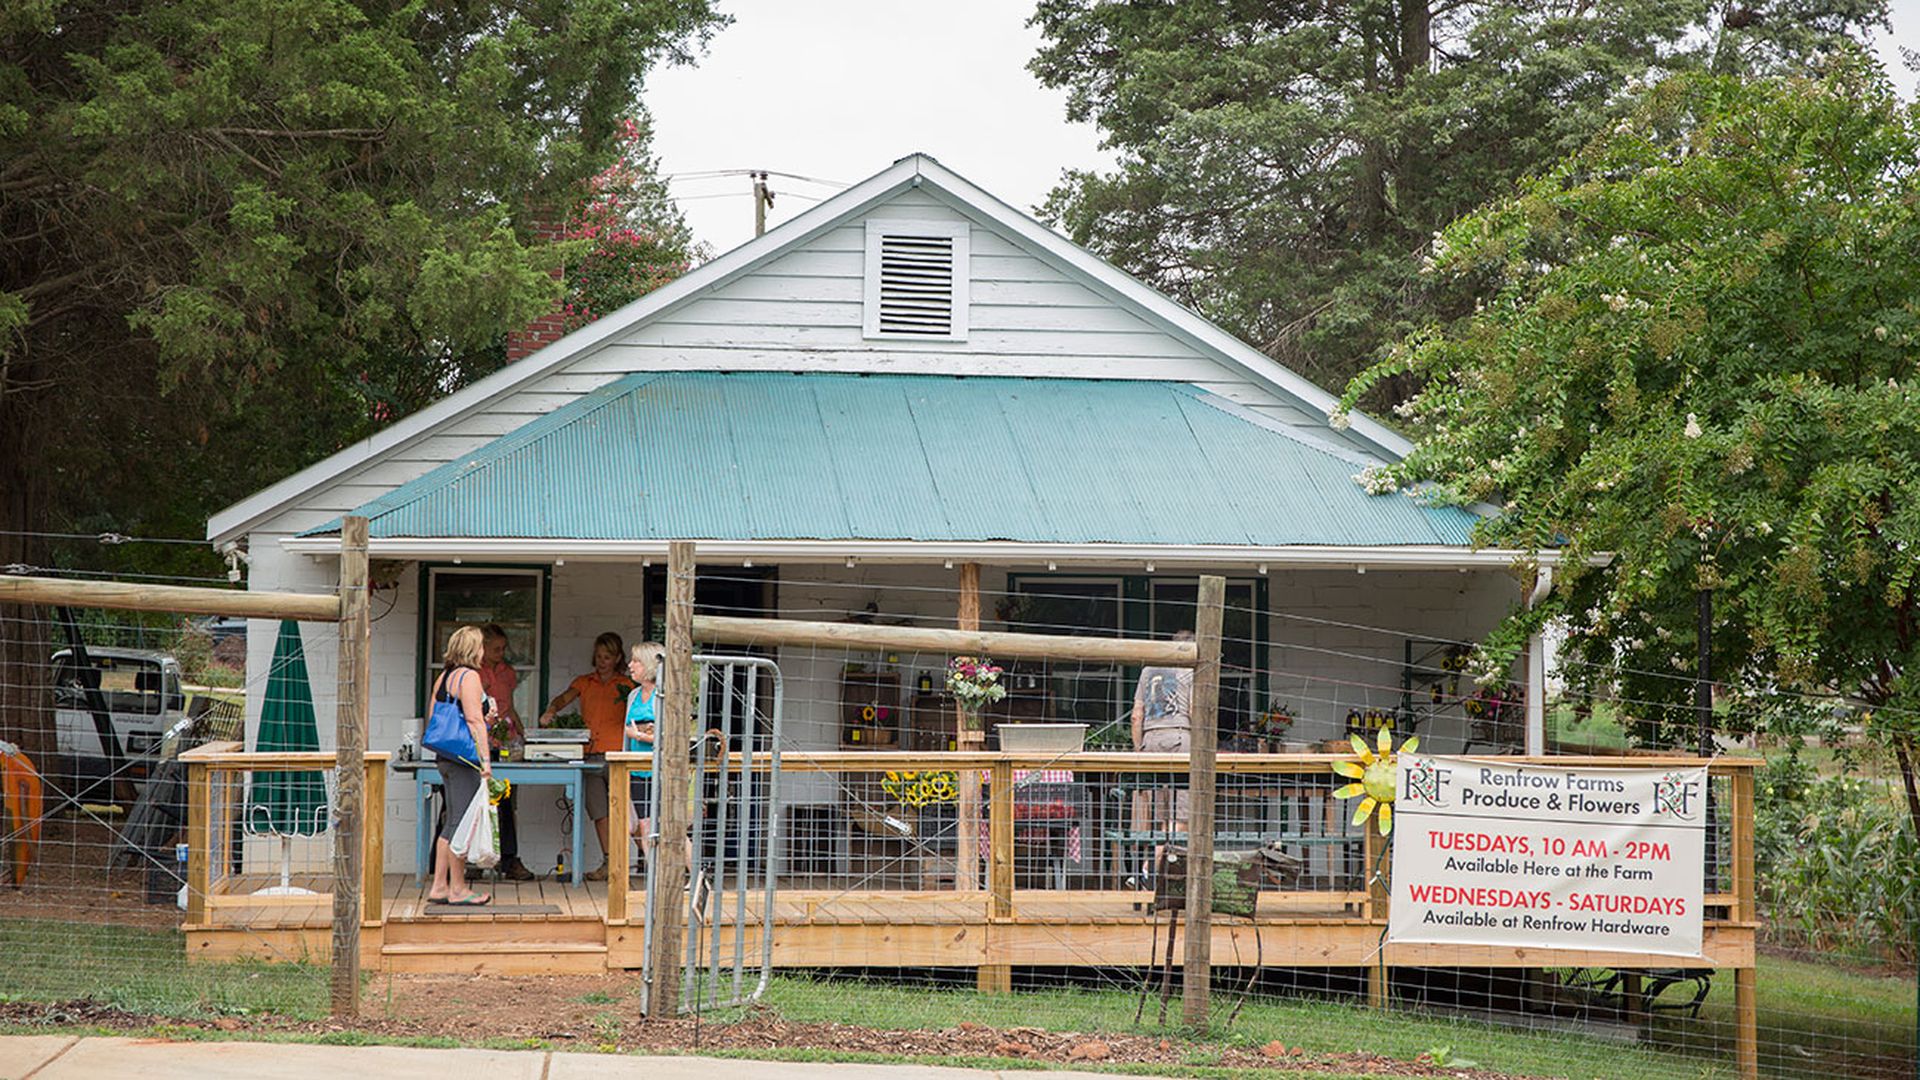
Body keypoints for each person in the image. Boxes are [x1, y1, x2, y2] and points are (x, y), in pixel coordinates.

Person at [537, 632, 633, 881]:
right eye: (599, 656)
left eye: (608, 657)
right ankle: (609, 863)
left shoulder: (626, 685)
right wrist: (551, 710)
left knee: (623, 811)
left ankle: (627, 864)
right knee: (599, 812)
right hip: (589, 755)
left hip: (617, 755)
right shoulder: (585, 681)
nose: (602, 661)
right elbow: (563, 698)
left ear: (618, 658)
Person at [428, 625, 492, 906]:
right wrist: (486, 760)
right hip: (465, 759)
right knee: (462, 823)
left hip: (444, 756)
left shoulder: (443, 677)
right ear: (473, 649)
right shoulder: (470, 677)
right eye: (480, 646)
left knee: (450, 822)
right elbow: (474, 721)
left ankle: (439, 886)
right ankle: (458, 888)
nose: (483, 651)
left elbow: (435, 717)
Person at [1130, 629, 1194, 885]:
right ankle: (1149, 869)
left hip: (1150, 740)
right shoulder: (1192, 671)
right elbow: (1195, 710)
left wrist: (1139, 749)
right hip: (1180, 740)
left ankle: (1149, 870)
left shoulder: (1148, 671)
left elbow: (1137, 716)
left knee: (1159, 815)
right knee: (1182, 817)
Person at [478, 624, 535, 881]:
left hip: (505, 742)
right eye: (495, 649)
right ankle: (460, 862)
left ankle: (509, 859)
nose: (501, 653)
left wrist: (524, 736)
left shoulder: (507, 672)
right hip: (480, 742)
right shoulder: (474, 672)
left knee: (505, 801)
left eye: (503, 648)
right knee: (471, 805)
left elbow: (508, 707)